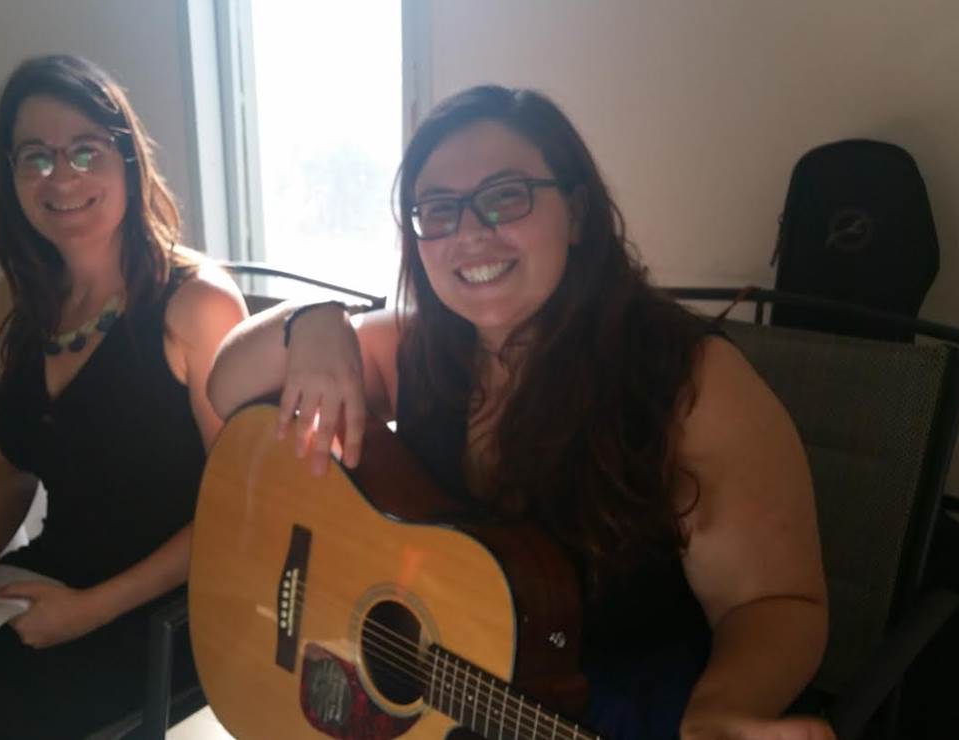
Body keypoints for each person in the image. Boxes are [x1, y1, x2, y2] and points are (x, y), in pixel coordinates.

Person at [207, 85, 832, 740]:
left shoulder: (688, 382)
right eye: (438, 209)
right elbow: (227, 388)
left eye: (506, 197)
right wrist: (312, 321)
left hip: (623, 708)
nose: (470, 233)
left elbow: (776, 602)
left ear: (578, 214)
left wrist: (722, 709)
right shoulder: (415, 349)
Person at [0, 54, 246, 739]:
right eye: (36, 156)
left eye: (86, 150)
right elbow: (14, 459)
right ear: (12, 172)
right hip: (55, 575)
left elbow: (237, 512)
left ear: (127, 158)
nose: (61, 177)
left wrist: (91, 609)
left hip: (175, 611)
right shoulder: (20, 299)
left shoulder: (196, 305)